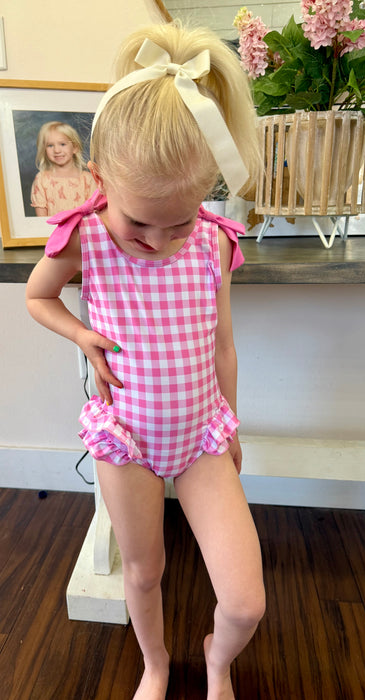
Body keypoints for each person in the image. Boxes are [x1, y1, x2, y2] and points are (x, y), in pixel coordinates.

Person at [26, 21, 265, 700]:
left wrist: (233, 424)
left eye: (179, 222)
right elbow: (38, 298)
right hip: (125, 438)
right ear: (99, 180)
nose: (159, 242)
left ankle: (218, 657)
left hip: (201, 437)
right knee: (144, 570)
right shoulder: (84, 239)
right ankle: (154, 663)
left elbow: (222, 345)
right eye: (139, 224)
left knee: (246, 601)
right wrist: (81, 334)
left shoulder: (213, 244)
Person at [31, 121, 95, 216]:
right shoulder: (41, 179)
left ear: (75, 147)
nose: (57, 150)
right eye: (50, 145)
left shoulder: (87, 179)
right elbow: (41, 220)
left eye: (62, 144)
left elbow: (93, 214)